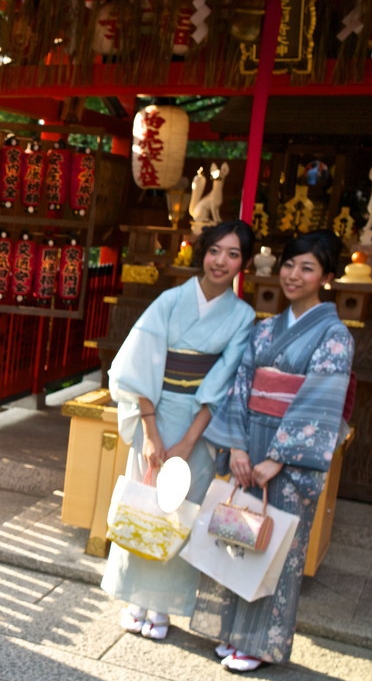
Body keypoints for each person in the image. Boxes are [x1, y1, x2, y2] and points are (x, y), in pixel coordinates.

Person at [192, 230, 354, 672]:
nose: (293, 275)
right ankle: (232, 631)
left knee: (277, 546)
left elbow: (320, 403)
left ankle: (261, 642)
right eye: (289, 264)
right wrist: (239, 448)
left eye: (307, 267)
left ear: (327, 277)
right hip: (252, 443)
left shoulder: (335, 336)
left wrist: (277, 458)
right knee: (239, 537)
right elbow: (242, 386)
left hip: (289, 453)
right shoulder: (265, 329)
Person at [101, 220, 256, 640]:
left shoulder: (242, 316)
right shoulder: (170, 301)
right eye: (215, 250)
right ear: (201, 253)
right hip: (156, 410)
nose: (221, 261)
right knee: (146, 499)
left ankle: (165, 606)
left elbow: (223, 382)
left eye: (233, 254)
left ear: (244, 263)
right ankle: (136, 598)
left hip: (200, 425)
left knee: (182, 511)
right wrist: (152, 436)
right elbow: (139, 367)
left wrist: (190, 441)